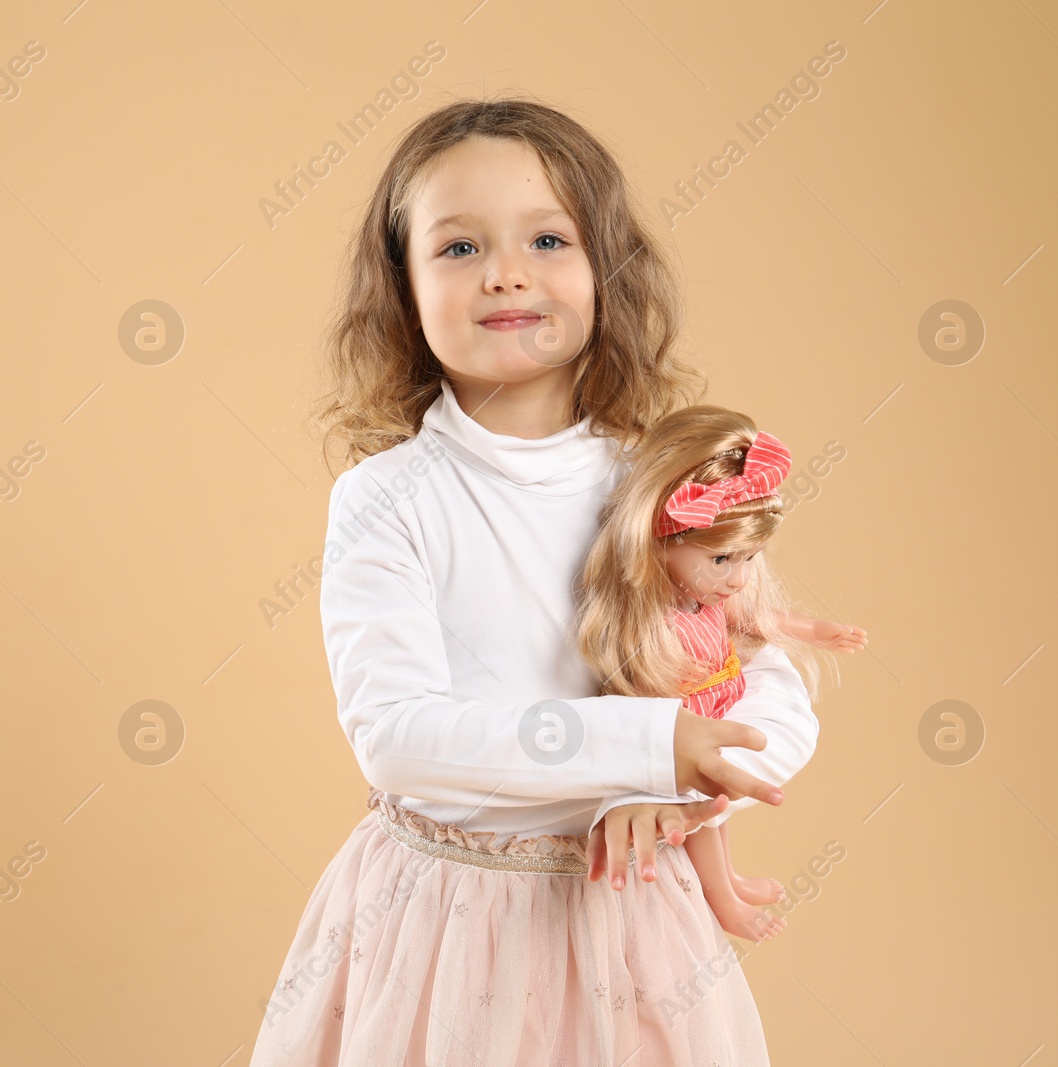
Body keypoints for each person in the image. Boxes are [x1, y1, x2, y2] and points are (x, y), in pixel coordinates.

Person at [248, 96, 819, 1067]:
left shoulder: (660, 486)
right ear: (404, 286)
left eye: (547, 238)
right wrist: (649, 741)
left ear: (605, 269)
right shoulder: (387, 500)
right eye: (459, 248)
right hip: (436, 921)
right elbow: (398, 736)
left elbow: (767, 682)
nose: (506, 271)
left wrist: (691, 789)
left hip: (629, 915)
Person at [574, 408, 866, 943]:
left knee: (722, 811)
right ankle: (722, 899)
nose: (738, 579)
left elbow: (758, 620)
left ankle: (729, 875)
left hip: (721, 707)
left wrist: (816, 629)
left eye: (750, 558)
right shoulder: (651, 618)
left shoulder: (703, 596)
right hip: (687, 727)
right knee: (706, 811)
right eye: (722, 559)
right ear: (658, 538)